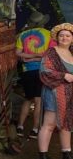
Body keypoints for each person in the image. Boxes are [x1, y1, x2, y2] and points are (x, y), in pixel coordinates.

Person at [37, 23, 73, 159]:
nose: (64, 38)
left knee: (66, 124)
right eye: (61, 35)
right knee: (50, 124)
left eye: (68, 35)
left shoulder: (72, 53)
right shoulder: (52, 52)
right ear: (57, 38)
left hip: (69, 94)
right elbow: (44, 70)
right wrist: (64, 75)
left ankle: (66, 154)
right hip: (54, 92)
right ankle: (42, 156)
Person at [14, 11, 51, 139]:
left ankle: (20, 127)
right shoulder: (49, 35)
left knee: (28, 98)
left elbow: (18, 53)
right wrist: (37, 57)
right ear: (43, 23)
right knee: (38, 100)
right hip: (42, 70)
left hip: (27, 70)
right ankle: (35, 129)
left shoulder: (23, 35)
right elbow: (50, 55)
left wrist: (30, 58)